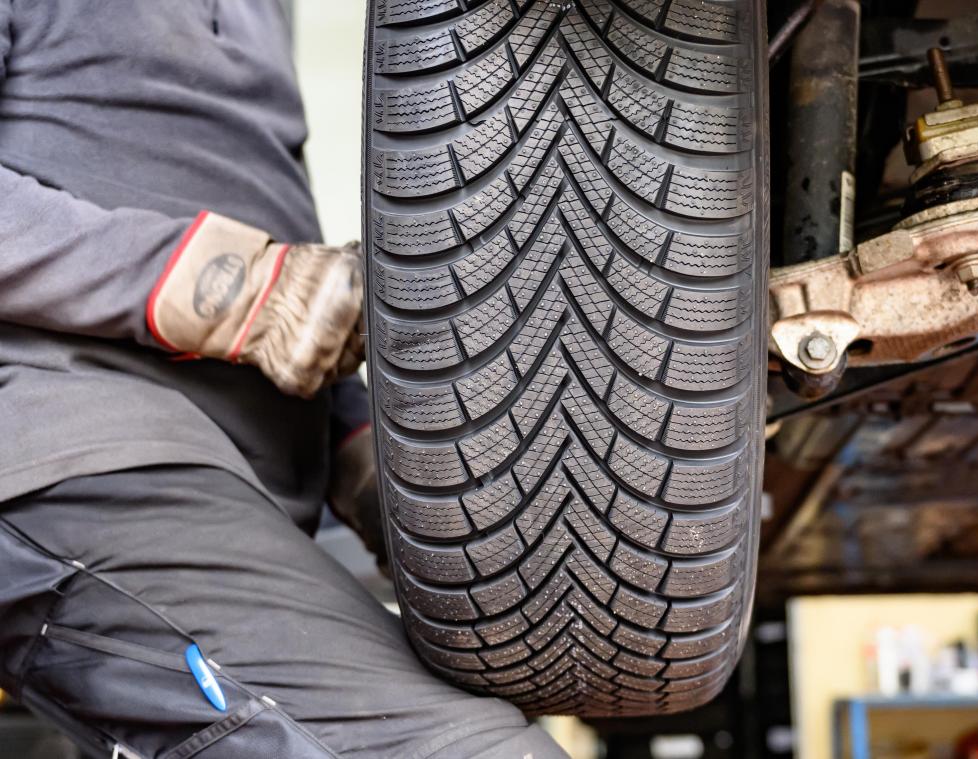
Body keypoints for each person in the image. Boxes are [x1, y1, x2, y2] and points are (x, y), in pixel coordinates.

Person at [0, 3, 564, 757]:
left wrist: (380, 453)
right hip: (77, 453)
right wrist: (232, 288)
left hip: (247, 484)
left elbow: (264, 230)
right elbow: (253, 283)